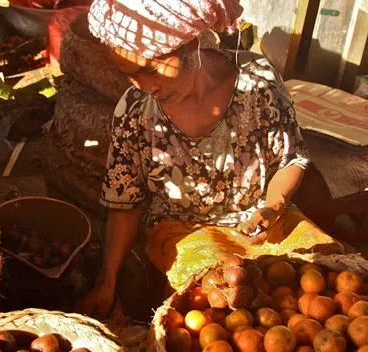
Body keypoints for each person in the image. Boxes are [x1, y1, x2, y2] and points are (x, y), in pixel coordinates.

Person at [75, 0, 346, 318]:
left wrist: (272, 205)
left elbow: (290, 158)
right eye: (129, 75)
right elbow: (125, 203)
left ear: (190, 43)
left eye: (151, 68)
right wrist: (107, 282)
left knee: (326, 277)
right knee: (214, 302)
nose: (145, 86)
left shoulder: (256, 82)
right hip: (181, 228)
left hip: (263, 217)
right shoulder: (135, 111)